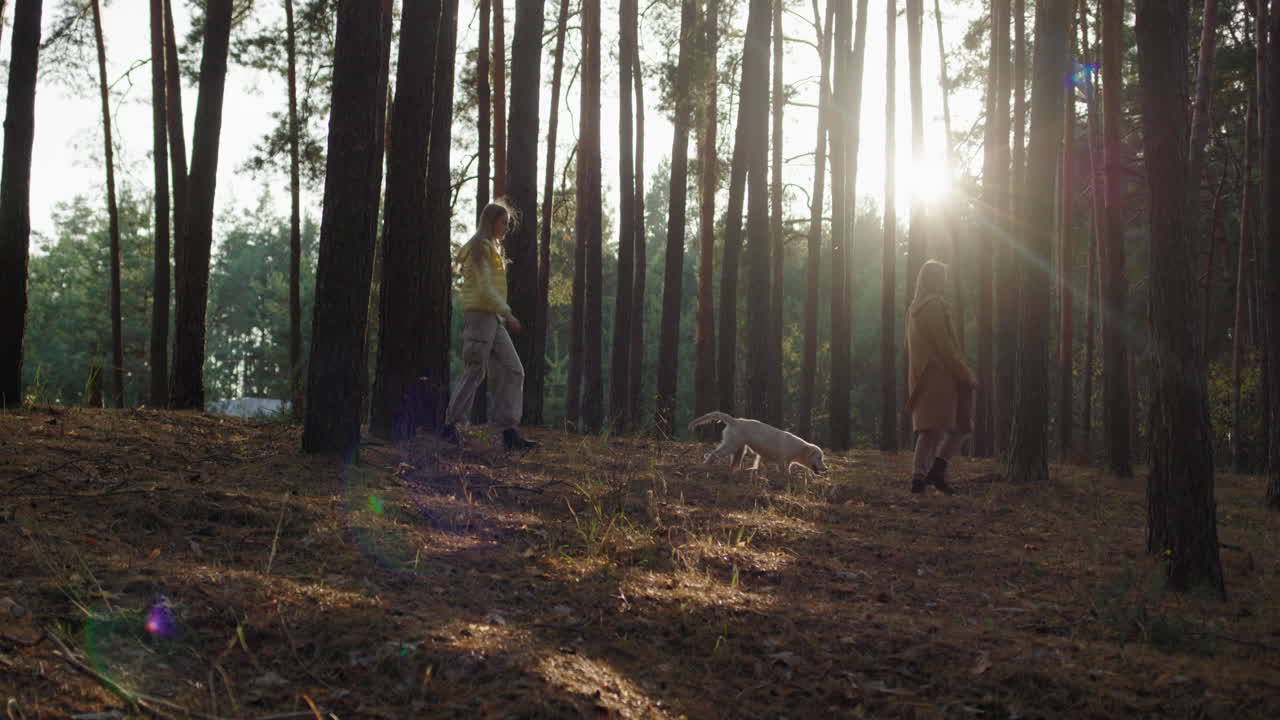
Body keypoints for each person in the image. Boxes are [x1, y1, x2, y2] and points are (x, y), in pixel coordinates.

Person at [439, 201, 538, 451]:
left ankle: (508, 431)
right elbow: (484, 287)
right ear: (490, 221)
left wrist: (502, 315)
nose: (506, 228)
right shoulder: (479, 248)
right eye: (503, 222)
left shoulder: (490, 247)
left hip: (493, 317)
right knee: (475, 371)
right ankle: (449, 426)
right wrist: (508, 314)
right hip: (481, 316)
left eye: (507, 223)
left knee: (515, 370)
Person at [905, 260, 975, 494]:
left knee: (931, 428)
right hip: (940, 376)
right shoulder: (934, 306)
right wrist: (964, 372)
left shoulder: (915, 307)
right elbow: (945, 346)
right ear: (934, 280)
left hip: (924, 376)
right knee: (959, 426)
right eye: (942, 277)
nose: (945, 282)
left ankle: (921, 476)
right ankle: (935, 471)